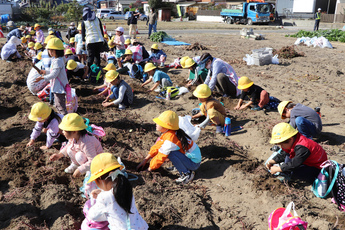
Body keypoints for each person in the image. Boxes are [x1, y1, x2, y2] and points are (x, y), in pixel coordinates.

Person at [82, 152, 148, 229]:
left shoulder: (104, 197)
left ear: (99, 179)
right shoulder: (126, 188)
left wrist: (95, 199)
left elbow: (92, 216)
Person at [137, 110, 201, 184]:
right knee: (170, 152)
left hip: (193, 164)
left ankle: (187, 174)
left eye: (159, 123)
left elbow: (161, 156)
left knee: (170, 153)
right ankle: (181, 166)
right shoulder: (169, 133)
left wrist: (149, 169)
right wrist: (146, 159)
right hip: (190, 159)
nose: (156, 124)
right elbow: (157, 146)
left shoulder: (171, 139)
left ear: (167, 126)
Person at [49, 113, 103, 178]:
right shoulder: (73, 137)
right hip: (84, 156)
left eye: (64, 130)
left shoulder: (87, 142)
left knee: (79, 156)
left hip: (96, 162)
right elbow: (67, 147)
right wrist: (59, 155)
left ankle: (89, 170)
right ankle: (76, 164)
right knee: (69, 149)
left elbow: (93, 160)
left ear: (75, 131)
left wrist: (80, 170)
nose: (62, 132)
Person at [34, 38, 68, 115]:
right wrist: (45, 72)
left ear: (57, 50)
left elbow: (54, 74)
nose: (50, 52)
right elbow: (55, 72)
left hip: (59, 88)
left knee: (60, 106)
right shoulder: (57, 59)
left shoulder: (57, 60)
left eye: (51, 50)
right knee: (57, 104)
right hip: (57, 86)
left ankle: (65, 121)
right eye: (49, 50)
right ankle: (62, 119)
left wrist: (43, 77)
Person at [81, 7, 104, 71]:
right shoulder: (97, 19)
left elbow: (83, 33)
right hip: (99, 40)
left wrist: (83, 41)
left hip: (90, 41)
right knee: (97, 55)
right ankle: (98, 70)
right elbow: (101, 30)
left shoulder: (84, 22)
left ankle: (89, 71)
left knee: (90, 57)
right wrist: (103, 38)